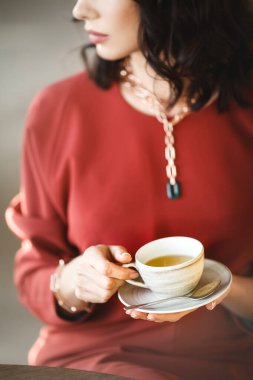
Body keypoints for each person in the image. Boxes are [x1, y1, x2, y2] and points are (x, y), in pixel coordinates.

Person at [5, 1, 253, 379]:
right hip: (95, 357)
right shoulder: (58, 110)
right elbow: (35, 268)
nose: (79, 10)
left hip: (232, 357)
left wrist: (218, 286)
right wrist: (75, 280)